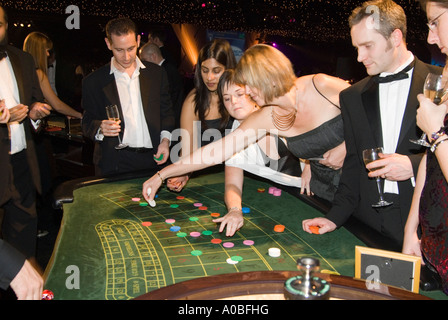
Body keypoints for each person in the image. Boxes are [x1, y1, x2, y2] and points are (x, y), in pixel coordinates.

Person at [302, 0, 442, 250]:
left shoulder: (440, 84)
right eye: (357, 47)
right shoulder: (352, 96)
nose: (359, 56)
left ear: (396, 37)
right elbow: (354, 165)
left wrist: (412, 165)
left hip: (425, 223)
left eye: (368, 46)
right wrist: (334, 217)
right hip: (367, 222)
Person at [142, 45, 349, 213]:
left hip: (364, 178)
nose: (247, 92)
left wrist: (347, 147)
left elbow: (373, 112)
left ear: (267, 75)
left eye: (247, 86)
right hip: (328, 193)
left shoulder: (319, 85)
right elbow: (215, 152)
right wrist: (161, 174)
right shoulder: (266, 117)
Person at [81, 17, 175, 176]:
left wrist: (165, 141)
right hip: (115, 161)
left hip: (153, 159)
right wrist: (100, 128)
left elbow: (166, 112)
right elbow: (87, 122)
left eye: (131, 48)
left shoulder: (156, 73)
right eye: (119, 50)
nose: (126, 56)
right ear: (108, 43)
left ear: (139, 40)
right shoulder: (93, 81)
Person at [215, 70, 302, 236]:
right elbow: (232, 183)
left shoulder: (278, 112)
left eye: (239, 94)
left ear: (252, 93)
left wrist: (311, 162)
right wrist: (234, 209)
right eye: (227, 98)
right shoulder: (235, 134)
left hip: (326, 187)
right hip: (296, 198)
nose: (233, 101)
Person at [402, 0, 448, 295]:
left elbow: (437, 143)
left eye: (435, 22)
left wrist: (436, 133)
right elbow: (431, 164)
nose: (430, 37)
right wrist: (410, 229)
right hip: (435, 245)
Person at [0, 5, 52, 259]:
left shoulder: (22, 59)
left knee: (24, 232)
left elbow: (33, 102)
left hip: (20, 161)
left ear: (7, 26)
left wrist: (34, 114)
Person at [166, 39, 236, 192]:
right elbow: (187, 149)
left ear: (228, 69)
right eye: (205, 70)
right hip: (204, 178)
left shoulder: (240, 98)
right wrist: (183, 174)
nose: (209, 77)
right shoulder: (193, 101)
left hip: (238, 176)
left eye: (216, 71)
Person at [23, 32, 82, 119]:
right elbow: (57, 105)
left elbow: (47, 102)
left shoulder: (23, 71)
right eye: (46, 50)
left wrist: (67, 112)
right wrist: (80, 115)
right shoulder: (39, 74)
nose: (48, 54)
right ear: (38, 51)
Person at [140, 42, 184, 127]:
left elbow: (170, 101)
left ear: (153, 56)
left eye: (144, 60)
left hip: (172, 122)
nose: (143, 64)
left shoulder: (166, 71)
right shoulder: (168, 68)